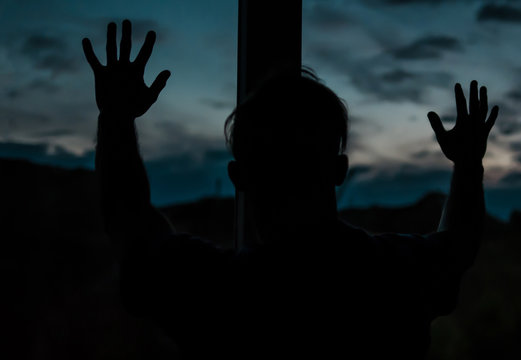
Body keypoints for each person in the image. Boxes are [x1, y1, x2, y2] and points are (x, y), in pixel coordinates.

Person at [82, 20, 498, 359]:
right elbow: (459, 245)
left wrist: (117, 119)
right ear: (339, 170)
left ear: (239, 178)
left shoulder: (224, 296)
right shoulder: (394, 276)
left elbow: (130, 225)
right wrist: (466, 165)